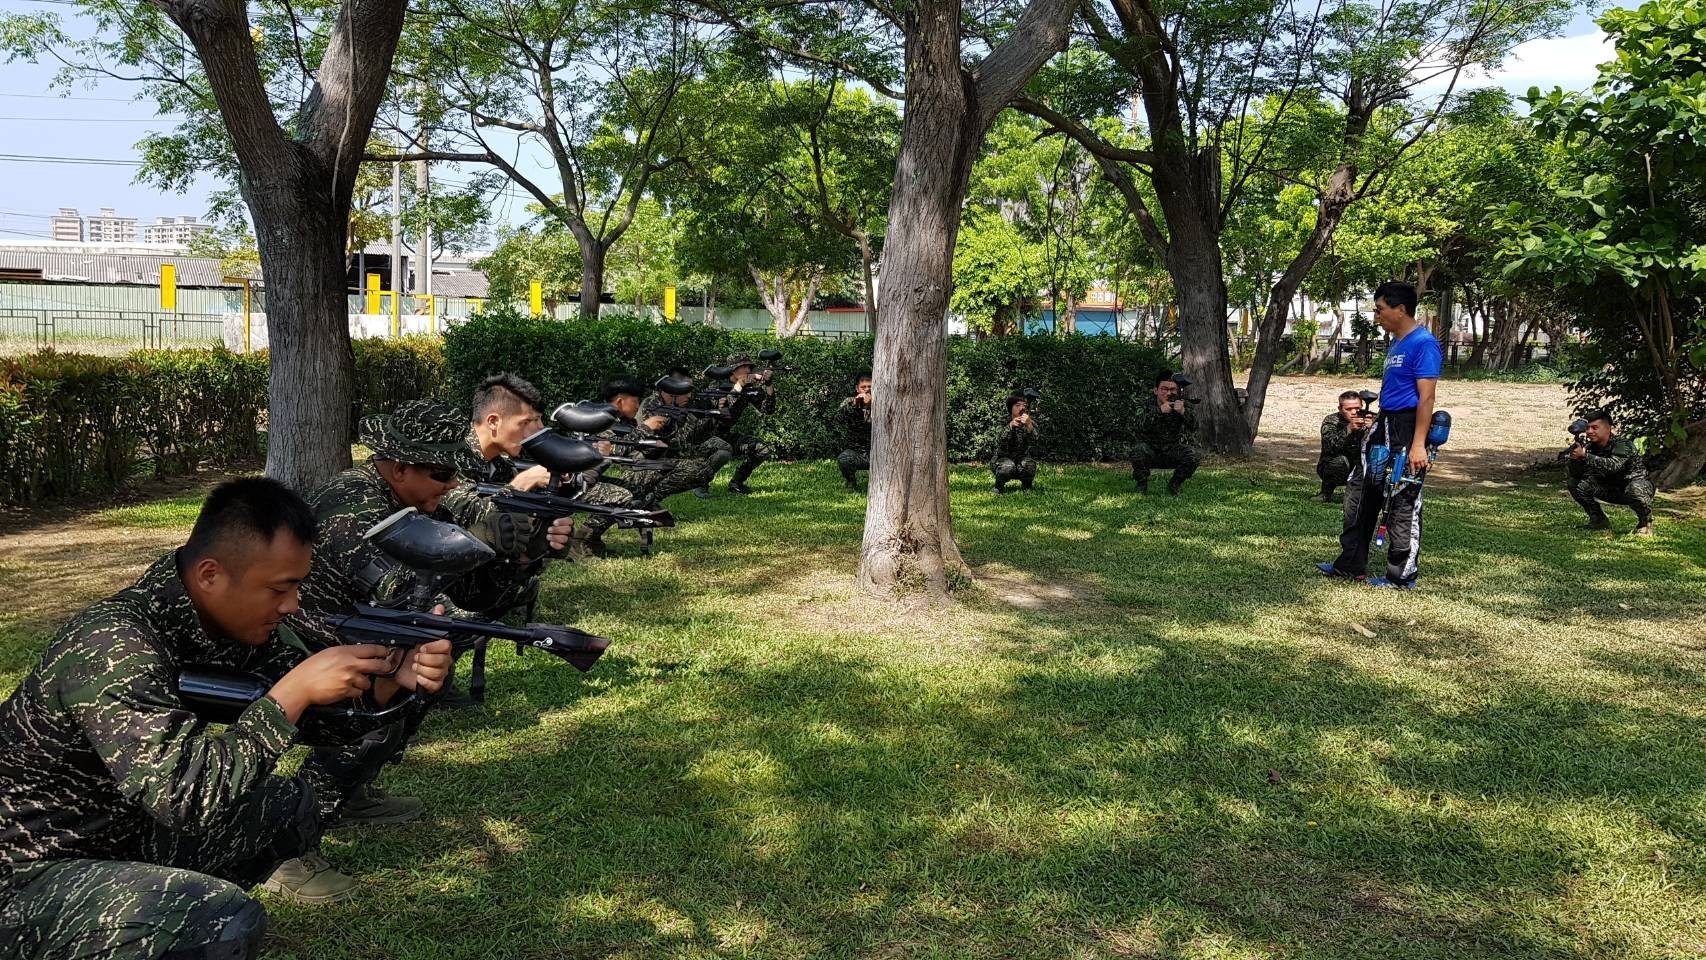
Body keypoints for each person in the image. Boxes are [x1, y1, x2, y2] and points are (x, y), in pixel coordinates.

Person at [0, 479, 451, 957]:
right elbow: (185, 797)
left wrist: (384, 681)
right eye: (281, 588)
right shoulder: (114, 646)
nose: (293, 605)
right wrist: (290, 695)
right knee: (218, 921)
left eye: (298, 585)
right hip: (27, 867)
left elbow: (321, 722)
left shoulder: (217, 617)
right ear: (211, 575)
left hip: (117, 832)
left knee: (287, 805)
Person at [282, 400, 573, 892]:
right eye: (441, 473)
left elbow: (469, 595)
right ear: (398, 467)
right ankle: (286, 850)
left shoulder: (404, 499)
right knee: (383, 698)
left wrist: (524, 556)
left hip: (349, 630)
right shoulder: (351, 507)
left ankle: (348, 794)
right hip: (297, 642)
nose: (451, 485)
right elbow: (407, 594)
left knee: (425, 678)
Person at [1319, 280, 1441, 588]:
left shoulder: (1423, 343)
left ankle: (1401, 575)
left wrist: (1417, 445)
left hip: (1407, 428)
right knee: (1361, 490)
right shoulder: (1397, 342)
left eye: (1380, 309)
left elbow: (1426, 398)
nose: (1376, 315)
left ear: (1400, 310)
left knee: (1402, 499)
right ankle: (1350, 563)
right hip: (1385, 424)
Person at [1567, 409, 1656, 536]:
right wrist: (1576, 460)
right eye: (1587, 428)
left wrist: (1585, 455)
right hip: (1612, 489)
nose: (1589, 432)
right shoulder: (1591, 448)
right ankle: (1598, 521)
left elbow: (1612, 466)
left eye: (1595, 427)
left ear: (1608, 428)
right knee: (1575, 483)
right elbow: (1576, 474)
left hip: (1635, 487)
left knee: (1635, 489)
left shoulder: (1623, 445)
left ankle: (1645, 523)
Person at [703, 353, 777, 495]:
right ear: (732, 370)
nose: (748, 370)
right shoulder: (716, 387)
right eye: (743, 367)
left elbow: (768, 409)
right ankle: (701, 483)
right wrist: (738, 386)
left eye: (749, 367)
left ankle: (737, 483)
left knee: (763, 449)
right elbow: (723, 412)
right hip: (705, 437)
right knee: (721, 450)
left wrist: (768, 384)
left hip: (726, 436)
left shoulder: (748, 388)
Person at [1130, 369, 1200, 495]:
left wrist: (1183, 412)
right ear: (1156, 390)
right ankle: (1142, 484)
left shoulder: (1181, 403)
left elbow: (1195, 427)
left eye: (1172, 389)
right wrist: (1159, 411)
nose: (1168, 393)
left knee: (1193, 455)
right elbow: (1137, 426)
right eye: (1164, 389)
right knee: (1137, 450)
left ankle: (1175, 484)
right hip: (1149, 451)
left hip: (1171, 451)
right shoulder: (1145, 404)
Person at [1316, 390, 1373, 502]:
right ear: (1340, 409)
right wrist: (1349, 429)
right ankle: (1326, 493)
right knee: (1339, 462)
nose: (1353, 412)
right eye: (1348, 409)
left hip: (1361, 464)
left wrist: (1373, 429)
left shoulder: (1370, 419)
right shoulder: (1332, 421)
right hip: (1336, 464)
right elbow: (1330, 448)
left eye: (1357, 408)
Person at [992, 393, 1038, 493]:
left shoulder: (1030, 422)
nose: (1021, 408)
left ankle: (1027, 486)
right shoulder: (1002, 421)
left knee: (1029, 465)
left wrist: (1029, 426)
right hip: (1003, 459)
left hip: (1022, 459)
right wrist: (1010, 426)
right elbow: (998, 440)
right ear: (1010, 408)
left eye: (1024, 406)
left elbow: (1037, 443)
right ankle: (998, 487)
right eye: (1017, 405)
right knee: (1007, 467)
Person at [835, 373, 874, 491]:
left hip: (880, 453)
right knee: (844, 459)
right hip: (858, 453)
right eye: (864, 387)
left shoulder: (883, 402)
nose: (867, 390)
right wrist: (855, 406)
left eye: (870, 386)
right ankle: (851, 482)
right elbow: (837, 419)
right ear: (857, 388)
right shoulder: (850, 402)